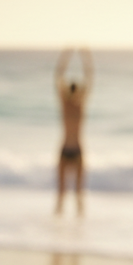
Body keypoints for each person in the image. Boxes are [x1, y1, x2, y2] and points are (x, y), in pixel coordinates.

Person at [54, 47, 93, 216]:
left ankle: (80, 224)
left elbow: (89, 78)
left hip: (77, 150)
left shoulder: (80, 106)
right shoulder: (65, 105)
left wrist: (86, 59)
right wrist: (65, 57)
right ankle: (56, 223)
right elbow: (58, 77)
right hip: (65, 149)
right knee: (61, 192)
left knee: (79, 192)